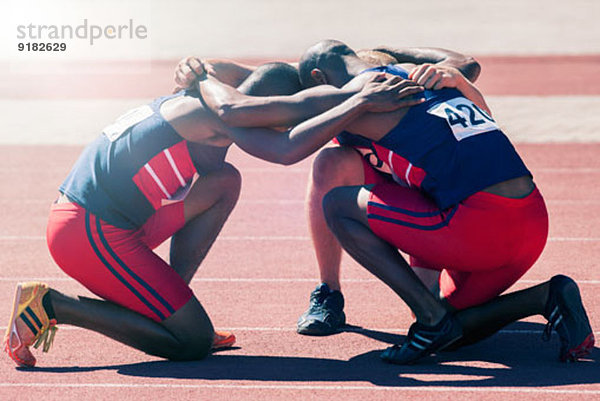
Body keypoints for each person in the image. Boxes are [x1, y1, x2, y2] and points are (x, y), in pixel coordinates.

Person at [4, 58, 423, 367]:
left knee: (223, 181)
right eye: (270, 120)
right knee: (190, 343)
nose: (264, 132)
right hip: (87, 232)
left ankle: (169, 303)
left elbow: (289, 99)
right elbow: (286, 149)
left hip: (110, 224)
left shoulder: (213, 96)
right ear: (260, 108)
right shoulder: (221, 114)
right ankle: (52, 305)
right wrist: (359, 100)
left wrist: (202, 69)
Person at [296, 40, 594, 364]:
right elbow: (468, 72)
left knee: (339, 206)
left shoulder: (371, 102)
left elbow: (283, 145)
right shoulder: (442, 85)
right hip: (529, 220)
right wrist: (454, 77)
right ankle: (547, 296)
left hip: (478, 222)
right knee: (450, 326)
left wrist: (230, 107)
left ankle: (423, 319)